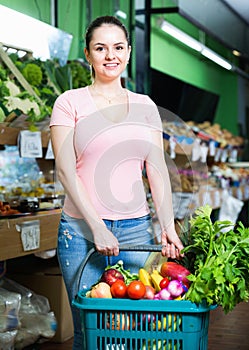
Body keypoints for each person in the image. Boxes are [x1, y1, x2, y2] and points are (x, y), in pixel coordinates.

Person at [50, 15, 184, 349]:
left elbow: (156, 169)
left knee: (133, 328)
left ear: (127, 52)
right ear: (87, 54)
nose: (111, 55)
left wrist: (166, 224)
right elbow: (66, 170)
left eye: (118, 47)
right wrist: (97, 227)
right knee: (90, 330)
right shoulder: (69, 102)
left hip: (136, 231)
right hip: (80, 232)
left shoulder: (145, 106)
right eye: (101, 47)